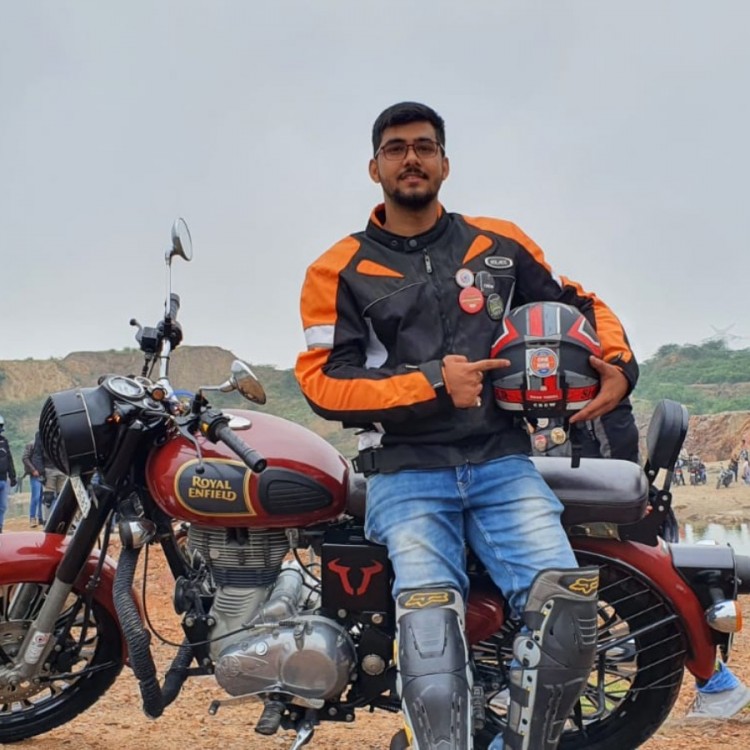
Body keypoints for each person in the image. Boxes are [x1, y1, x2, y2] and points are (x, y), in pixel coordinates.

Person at [295, 101, 638, 750]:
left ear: (445, 164)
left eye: (424, 147)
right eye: (396, 149)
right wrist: (432, 382)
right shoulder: (336, 268)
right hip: (405, 474)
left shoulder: (498, 244)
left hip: (503, 465)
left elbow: (578, 306)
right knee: (430, 636)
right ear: (374, 168)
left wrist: (617, 366)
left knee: (568, 617)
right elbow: (324, 383)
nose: (411, 159)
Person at [532, 405, 750, 720]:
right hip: (594, 492)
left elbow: (614, 440)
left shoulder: (594, 394)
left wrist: (623, 495)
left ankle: (717, 682)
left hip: (597, 497)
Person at [21, 432, 45, 527]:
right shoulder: (31, 444)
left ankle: (41, 518)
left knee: (43, 497)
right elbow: (25, 458)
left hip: (44, 474)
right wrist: (33, 470)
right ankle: (32, 518)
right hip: (35, 474)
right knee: (36, 496)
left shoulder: (45, 445)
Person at [0, 415, 18, 533]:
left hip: (3, 479)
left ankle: (0, 528)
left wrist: (12, 476)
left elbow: (9, 459)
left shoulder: (4, 441)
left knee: (2, 506)